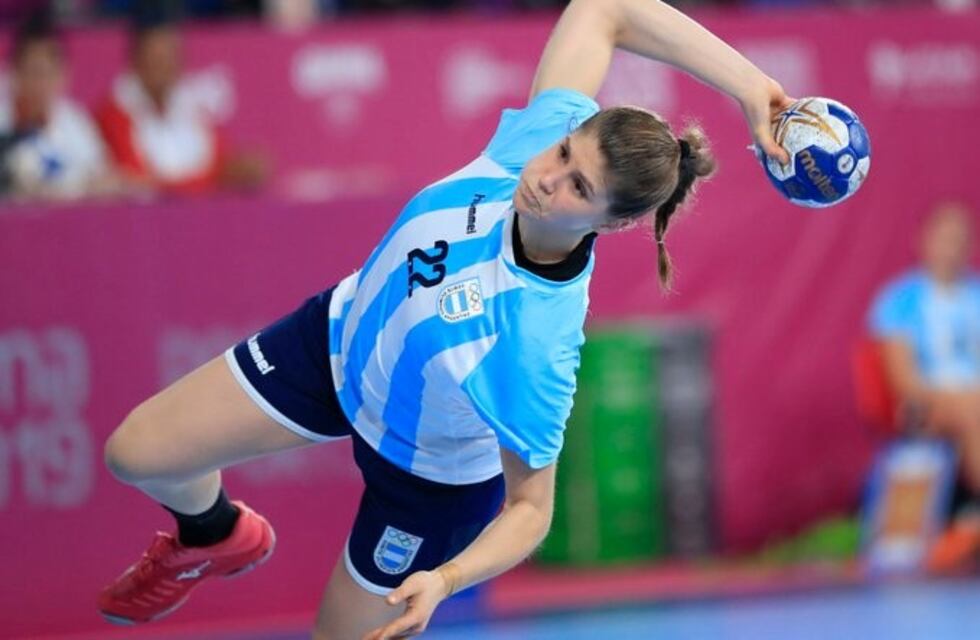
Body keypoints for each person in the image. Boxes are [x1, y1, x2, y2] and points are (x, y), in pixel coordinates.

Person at [97, 0, 792, 636]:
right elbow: (604, 8)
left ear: (616, 226)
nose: (546, 177)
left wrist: (448, 578)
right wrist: (751, 87)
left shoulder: (535, 345)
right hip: (336, 345)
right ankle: (216, 535)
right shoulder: (537, 144)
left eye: (578, 187)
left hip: (426, 483)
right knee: (136, 453)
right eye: (563, 154)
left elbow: (532, 511)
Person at [868, 202, 980, 573]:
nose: (952, 247)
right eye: (944, 238)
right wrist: (963, 399)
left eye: (959, 239)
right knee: (973, 410)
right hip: (924, 408)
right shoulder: (900, 300)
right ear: (925, 241)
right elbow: (906, 382)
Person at [94, 12, 267, 196]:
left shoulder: (192, 108)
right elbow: (142, 186)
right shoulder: (113, 114)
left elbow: (222, 161)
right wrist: (218, 179)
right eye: (155, 59)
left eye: (169, 57)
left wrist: (240, 169)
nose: (162, 68)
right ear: (136, 61)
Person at [0, 12, 118, 201]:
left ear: (63, 75)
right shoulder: (3, 121)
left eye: (47, 73)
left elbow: (107, 180)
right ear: (14, 73)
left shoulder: (76, 124)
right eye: (33, 72)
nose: (39, 83)